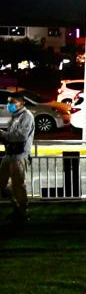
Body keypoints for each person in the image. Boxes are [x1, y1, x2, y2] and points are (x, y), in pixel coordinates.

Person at [0, 93, 34, 223]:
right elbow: (11, 135)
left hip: (19, 155)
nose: (9, 105)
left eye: (12, 103)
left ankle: (22, 212)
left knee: (18, 185)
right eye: (9, 102)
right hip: (9, 154)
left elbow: (20, 136)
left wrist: (2, 134)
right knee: (2, 183)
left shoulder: (27, 116)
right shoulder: (15, 117)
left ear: (21, 103)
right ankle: (17, 207)